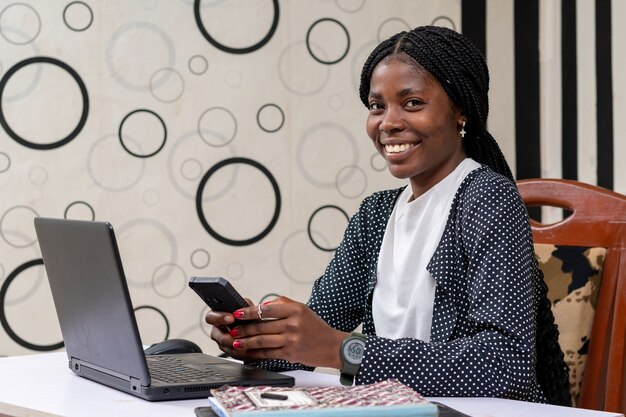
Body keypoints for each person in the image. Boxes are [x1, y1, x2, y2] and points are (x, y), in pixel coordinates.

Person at [205, 25, 570, 405]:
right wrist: (258, 340)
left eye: (412, 103)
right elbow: (321, 334)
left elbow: (504, 365)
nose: (388, 123)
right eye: (377, 106)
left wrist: (344, 350)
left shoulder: (487, 198)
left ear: (461, 111)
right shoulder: (375, 215)